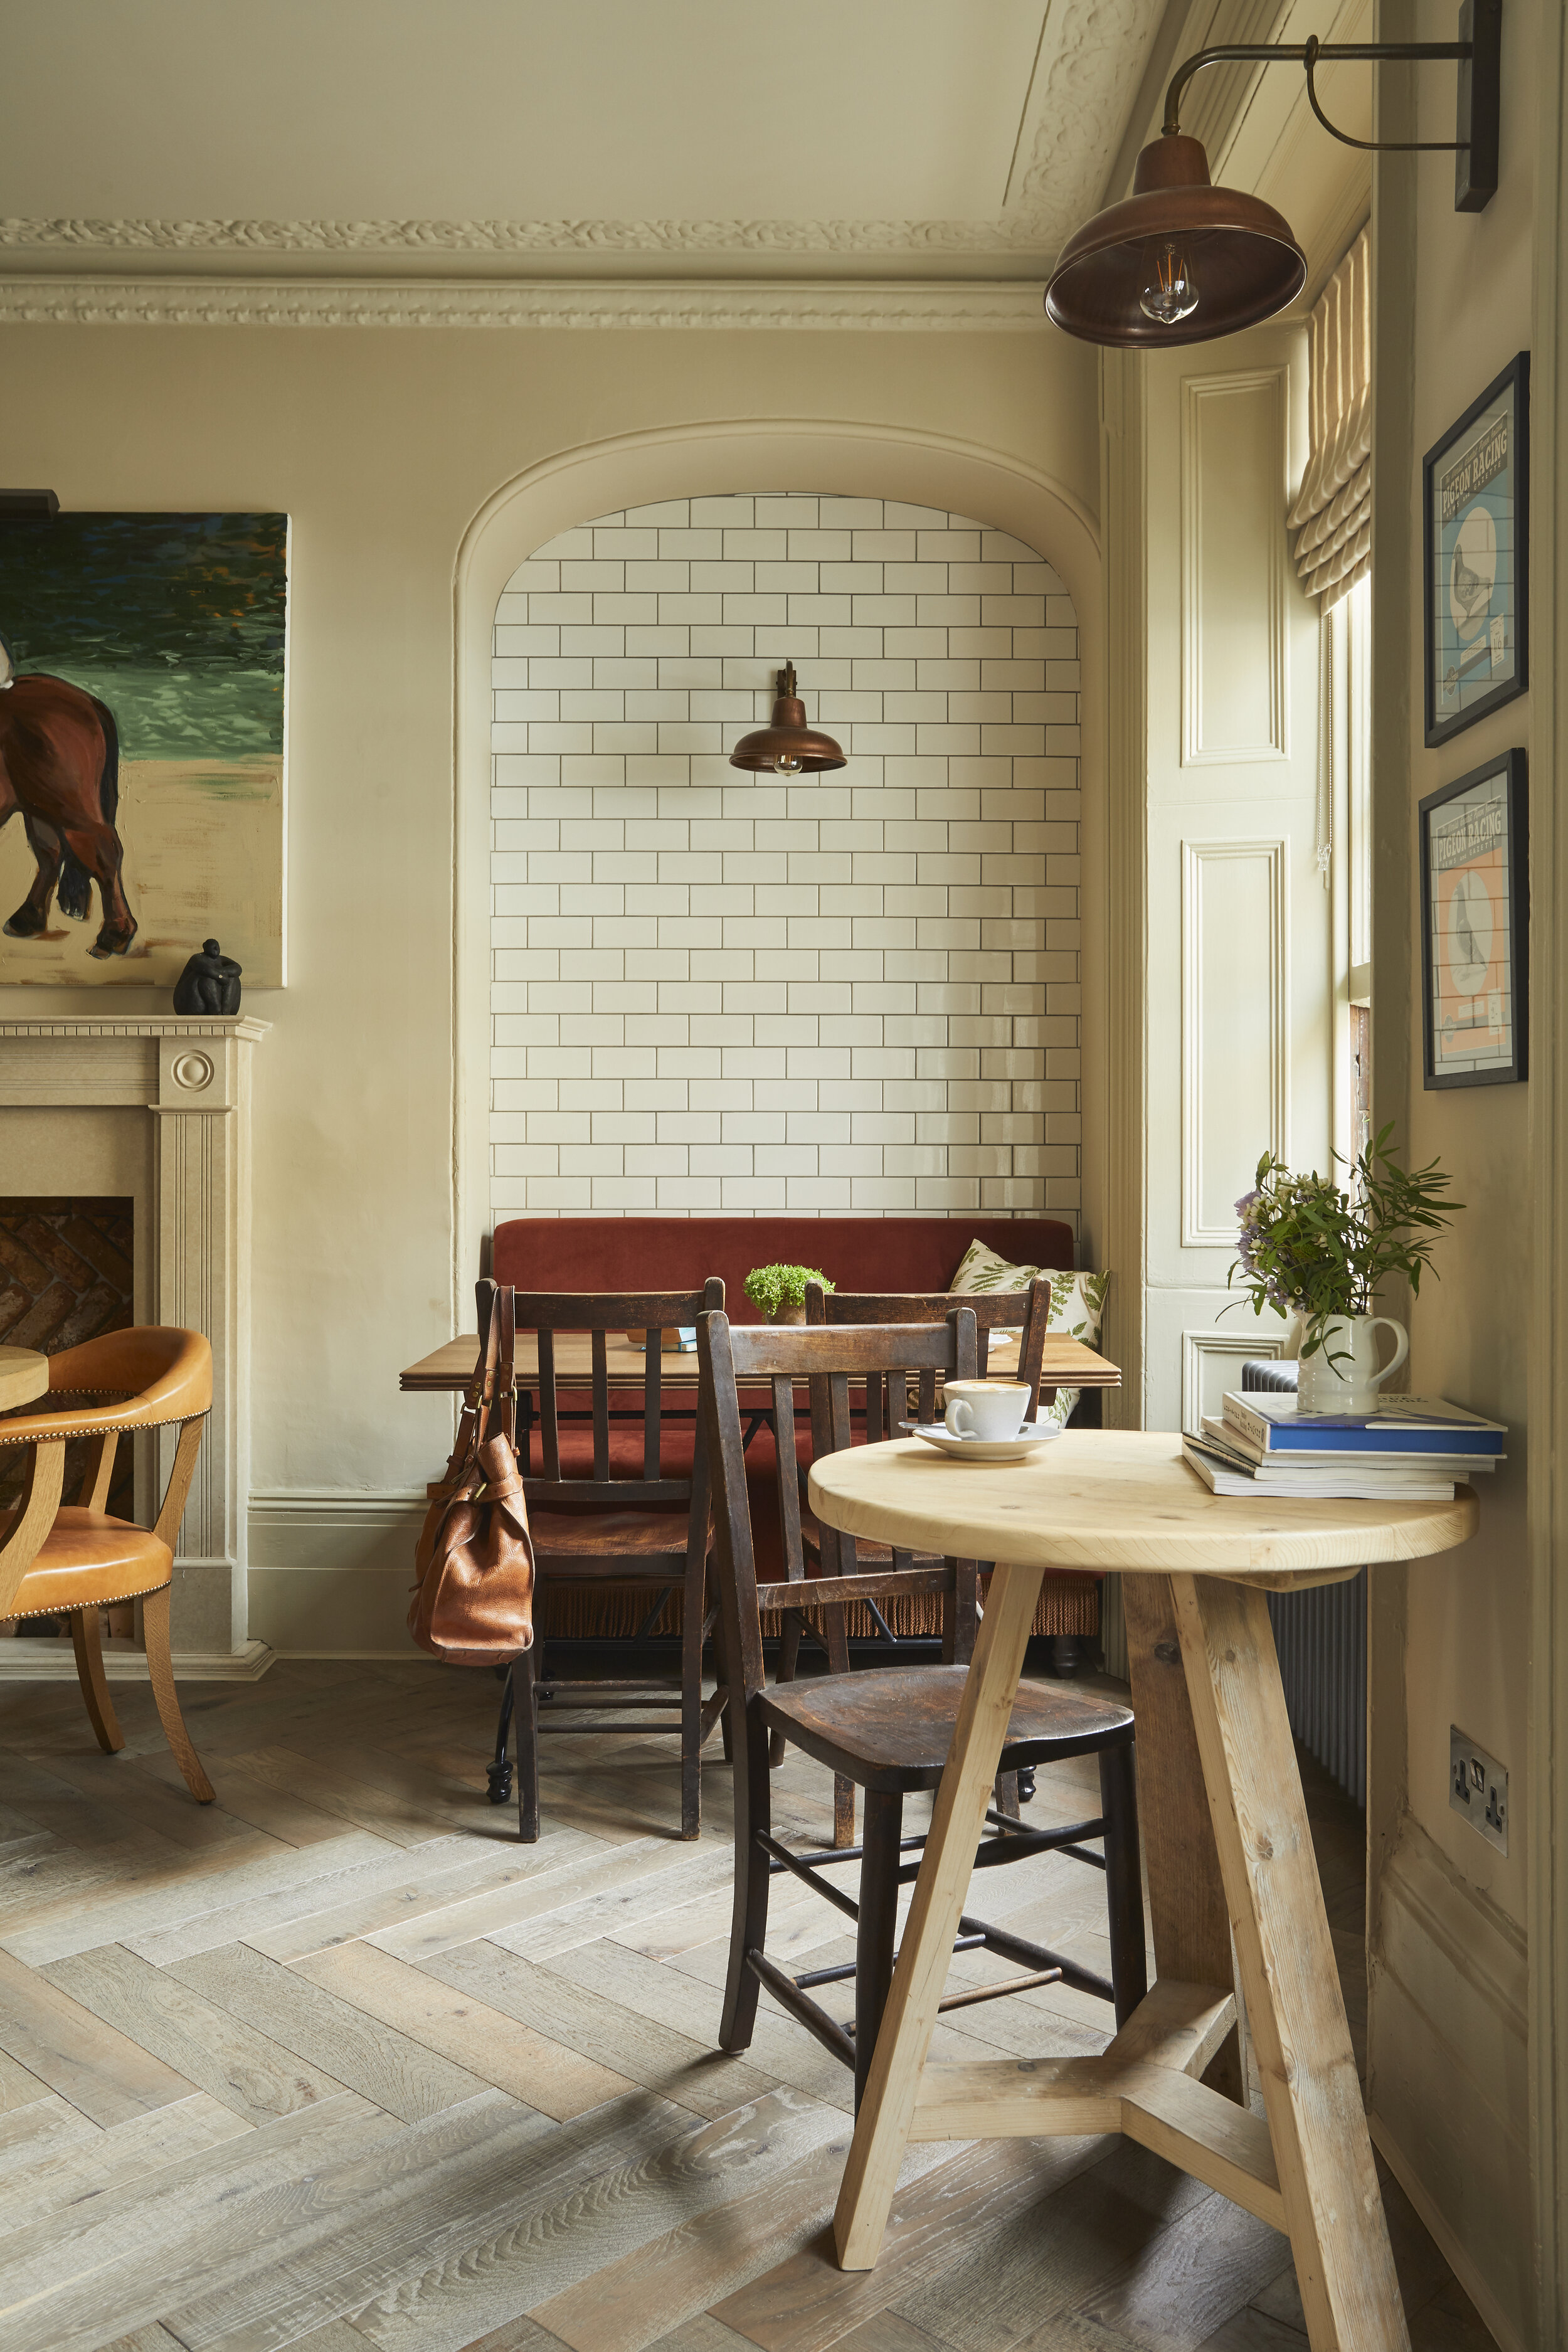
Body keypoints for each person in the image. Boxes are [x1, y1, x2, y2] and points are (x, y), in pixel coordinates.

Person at [172, 938, 242, 1015]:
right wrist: (220, 976)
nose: (216, 948)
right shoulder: (197, 958)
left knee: (233, 978)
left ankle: (226, 1010)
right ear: (205, 947)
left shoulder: (222, 959)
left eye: (217, 946)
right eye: (213, 946)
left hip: (220, 1003)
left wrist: (222, 973)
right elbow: (205, 969)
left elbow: (238, 968)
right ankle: (215, 1009)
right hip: (191, 1004)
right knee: (207, 977)